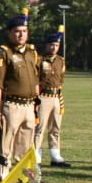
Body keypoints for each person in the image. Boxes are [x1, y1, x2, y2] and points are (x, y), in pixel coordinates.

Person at [0, 8, 40, 183]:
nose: (21, 34)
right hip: (12, 106)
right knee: (5, 151)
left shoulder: (32, 53)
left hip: (29, 107)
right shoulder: (4, 52)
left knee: (24, 152)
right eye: (17, 31)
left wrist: (36, 108)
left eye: (24, 31)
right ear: (10, 33)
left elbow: (35, 82)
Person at [35, 26, 70, 168]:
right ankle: (36, 154)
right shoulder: (40, 60)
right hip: (43, 96)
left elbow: (61, 79)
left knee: (56, 127)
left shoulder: (61, 61)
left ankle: (56, 155)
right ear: (47, 45)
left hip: (57, 96)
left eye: (56, 45)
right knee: (40, 127)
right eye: (51, 45)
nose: (54, 47)